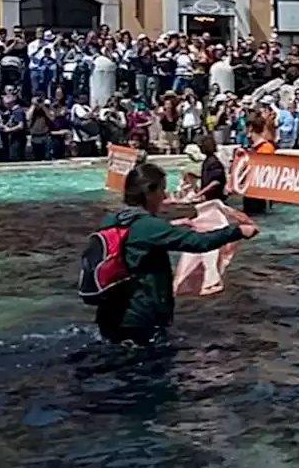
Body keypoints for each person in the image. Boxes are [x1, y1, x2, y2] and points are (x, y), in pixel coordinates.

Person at [93, 162, 257, 344]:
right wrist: (237, 231)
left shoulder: (112, 220)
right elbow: (198, 242)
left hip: (111, 314)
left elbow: (135, 240)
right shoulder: (150, 226)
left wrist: (170, 227)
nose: (164, 196)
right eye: (161, 190)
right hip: (141, 320)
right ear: (148, 192)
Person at [241, 113, 275, 215]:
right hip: (250, 192)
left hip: (260, 194)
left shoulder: (266, 148)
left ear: (250, 128)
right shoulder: (251, 148)